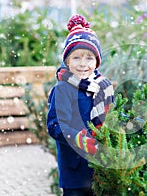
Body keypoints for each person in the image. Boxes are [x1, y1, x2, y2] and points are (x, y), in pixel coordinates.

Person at [47, 14, 114, 196]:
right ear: (67, 61)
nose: (83, 64)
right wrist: (81, 141)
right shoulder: (63, 90)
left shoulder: (103, 88)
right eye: (76, 58)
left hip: (101, 169)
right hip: (74, 170)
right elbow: (55, 126)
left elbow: (112, 118)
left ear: (97, 62)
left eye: (89, 58)